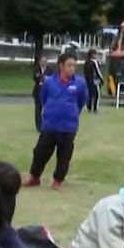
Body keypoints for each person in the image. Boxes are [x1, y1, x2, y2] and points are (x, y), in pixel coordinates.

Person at [24, 53, 86, 190]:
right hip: (50, 125)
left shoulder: (80, 83)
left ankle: (58, 180)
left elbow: (81, 102)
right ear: (61, 66)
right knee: (40, 152)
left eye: (74, 65)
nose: (72, 68)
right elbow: (43, 98)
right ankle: (34, 177)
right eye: (69, 65)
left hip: (68, 126)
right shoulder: (49, 82)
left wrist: (72, 112)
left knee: (64, 155)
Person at [32, 55, 50, 132]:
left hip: (47, 94)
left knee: (47, 110)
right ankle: (39, 127)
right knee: (38, 111)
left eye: (45, 62)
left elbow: (52, 78)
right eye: (42, 62)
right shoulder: (37, 69)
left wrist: (42, 77)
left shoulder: (50, 70)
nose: (43, 63)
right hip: (37, 93)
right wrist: (42, 77)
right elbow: (35, 77)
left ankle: (46, 125)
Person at [84, 49, 104, 114]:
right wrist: (101, 79)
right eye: (95, 54)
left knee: (90, 94)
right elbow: (97, 71)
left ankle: (89, 107)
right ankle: (95, 108)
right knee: (97, 94)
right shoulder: (94, 62)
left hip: (88, 80)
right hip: (94, 80)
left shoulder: (86, 62)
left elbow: (85, 73)